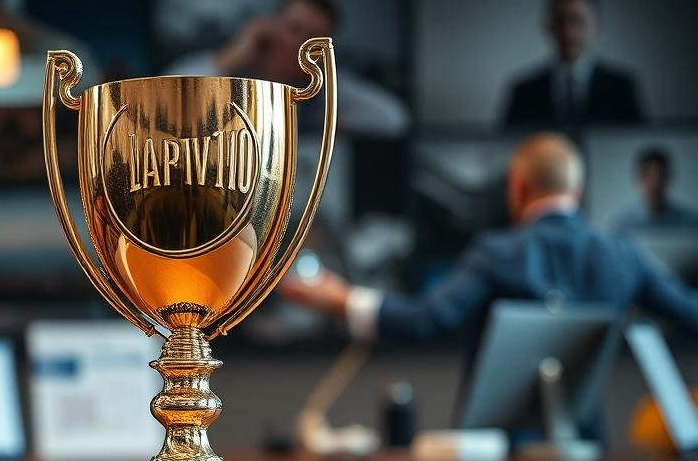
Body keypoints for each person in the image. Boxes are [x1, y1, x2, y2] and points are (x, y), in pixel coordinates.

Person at [281, 133, 698, 344]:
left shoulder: (496, 253)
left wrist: (340, 299)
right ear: (577, 190)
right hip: (593, 460)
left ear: (517, 188)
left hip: (502, 459)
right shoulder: (624, 257)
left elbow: (428, 318)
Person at [166, 0, 409, 137]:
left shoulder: (326, 88)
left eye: (313, 37)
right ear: (271, 25)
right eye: (293, 28)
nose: (300, 43)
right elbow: (163, 98)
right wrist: (233, 55)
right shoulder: (232, 69)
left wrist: (337, 110)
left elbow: (395, 119)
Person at [502, 0, 645, 127]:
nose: (568, 31)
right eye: (560, 20)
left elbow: (636, 142)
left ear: (595, 27)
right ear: (549, 26)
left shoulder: (622, 88)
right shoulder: (523, 91)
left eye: (578, 21)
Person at [610, 147, 698, 234]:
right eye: (648, 175)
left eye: (659, 176)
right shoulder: (622, 225)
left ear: (668, 178)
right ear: (639, 178)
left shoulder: (690, 224)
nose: (655, 183)